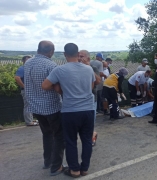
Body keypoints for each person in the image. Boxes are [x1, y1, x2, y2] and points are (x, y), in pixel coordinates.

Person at [42, 43, 97, 178]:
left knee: (71, 141)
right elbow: (90, 87)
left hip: (70, 110)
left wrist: (60, 90)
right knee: (87, 140)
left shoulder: (59, 70)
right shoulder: (88, 69)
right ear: (78, 54)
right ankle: (84, 168)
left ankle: (74, 170)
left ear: (65, 54)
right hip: (88, 109)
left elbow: (45, 85)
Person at [24, 40, 65, 176]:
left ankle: (47, 161)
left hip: (35, 107)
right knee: (59, 136)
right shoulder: (51, 65)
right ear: (51, 52)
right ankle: (56, 166)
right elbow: (57, 87)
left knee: (47, 134)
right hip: (51, 106)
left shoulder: (28, 62)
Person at [79, 50, 101, 146]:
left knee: (90, 121)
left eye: (82, 56)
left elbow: (98, 81)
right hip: (79, 99)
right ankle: (91, 135)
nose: (80, 58)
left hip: (91, 98)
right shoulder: (75, 67)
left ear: (88, 58)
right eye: (78, 56)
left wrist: (88, 67)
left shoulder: (93, 67)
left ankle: (91, 136)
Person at [14, 55, 38, 126]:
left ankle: (30, 119)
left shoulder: (29, 68)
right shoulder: (22, 68)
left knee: (30, 105)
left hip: (30, 90)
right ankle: (29, 122)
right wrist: (25, 87)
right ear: (23, 61)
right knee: (28, 105)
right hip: (26, 91)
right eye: (28, 60)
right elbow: (17, 78)